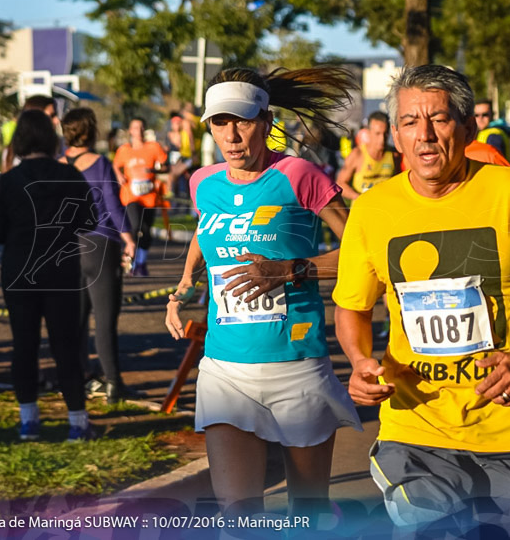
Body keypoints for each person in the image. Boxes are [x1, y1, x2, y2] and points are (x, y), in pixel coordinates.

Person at [333, 65, 510, 535]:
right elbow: (353, 306)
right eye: (409, 122)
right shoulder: (372, 211)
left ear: (467, 128)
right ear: (395, 136)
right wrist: (359, 359)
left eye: (439, 119)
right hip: (415, 427)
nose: (424, 135)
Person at [164, 67, 362, 519]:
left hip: (296, 366)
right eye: (219, 122)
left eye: (243, 120)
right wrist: (183, 286)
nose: (231, 135)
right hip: (225, 370)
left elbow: (360, 250)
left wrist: (295, 268)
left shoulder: (298, 174)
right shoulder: (203, 182)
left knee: (306, 514)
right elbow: (204, 231)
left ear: (266, 120)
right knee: (238, 518)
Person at [0, 109, 97, 442]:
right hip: (61, 270)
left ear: (19, 140)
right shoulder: (70, 175)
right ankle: (77, 421)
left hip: (19, 270)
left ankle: (28, 420)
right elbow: (89, 221)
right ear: (52, 138)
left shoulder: (7, 181)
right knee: (66, 345)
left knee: (24, 344)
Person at [60, 108, 138, 403]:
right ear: (90, 132)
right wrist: (129, 239)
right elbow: (113, 205)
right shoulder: (100, 163)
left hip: (68, 246)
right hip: (100, 243)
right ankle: (114, 384)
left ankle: (80, 378)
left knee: (76, 319)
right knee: (105, 320)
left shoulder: (59, 164)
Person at [113, 118, 169, 276]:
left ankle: (141, 263)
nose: (139, 130)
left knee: (146, 229)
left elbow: (166, 166)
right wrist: (118, 175)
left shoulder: (154, 147)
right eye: (136, 127)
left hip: (149, 196)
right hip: (130, 196)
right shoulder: (124, 150)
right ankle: (131, 258)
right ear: (130, 131)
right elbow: (115, 165)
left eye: (142, 127)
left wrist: (154, 172)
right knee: (135, 225)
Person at [337, 111, 398, 200]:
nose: (382, 139)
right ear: (368, 132)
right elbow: (340, 184)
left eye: (385, 133)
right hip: (363, 210)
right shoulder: (357, 154)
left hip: (385, 210)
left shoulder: (394, 154)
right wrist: (361, 199)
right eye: (377, 133)